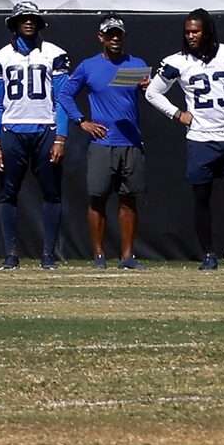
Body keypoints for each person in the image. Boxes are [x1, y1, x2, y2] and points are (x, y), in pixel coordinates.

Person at [150, 10, 224, 271]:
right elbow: (153, 92)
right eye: (187, 31)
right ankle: (208, 254)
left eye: (195, 31)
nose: (190, 36)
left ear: (208, 31)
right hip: (201, 138)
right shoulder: (177, 61)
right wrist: (178, 114)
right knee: (202, 196)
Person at [64, 17, 156, 269]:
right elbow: (64, 94)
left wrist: (148, 88)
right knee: (97, 198)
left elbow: (151, 94)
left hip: (131, 142)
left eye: (119, 34)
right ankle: (99, 255)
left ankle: (127, 257)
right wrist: (82, 121)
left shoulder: (136, 65)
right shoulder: (88, 66)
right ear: (100, 37)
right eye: (110, 34)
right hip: (103, 143)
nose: (115, 38)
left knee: (129, 200)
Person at [0, 3, 73, 269]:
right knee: (8, 194)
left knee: (51, 193)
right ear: (14, 23)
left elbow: (62, 98)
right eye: (23, 18)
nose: (28, 22)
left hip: (45, 129)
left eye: (33, 18)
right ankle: (11, 253)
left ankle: (48, 254)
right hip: (12, 130)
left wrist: (61, 137)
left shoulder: (55, 54)